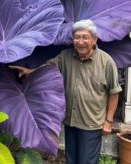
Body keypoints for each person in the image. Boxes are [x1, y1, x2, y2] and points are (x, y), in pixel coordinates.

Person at [9, 19, 122, 164]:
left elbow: (114, 92)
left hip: (92, 124)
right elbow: (48, 68)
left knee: (87, 161)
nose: (80, 42)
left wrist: (108, 121)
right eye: (77, 37)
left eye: (85, 37)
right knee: (71, 160)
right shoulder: (65, 57)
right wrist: (30, 71)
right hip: (71, 122)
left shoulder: (106, 62)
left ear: (95, 39)